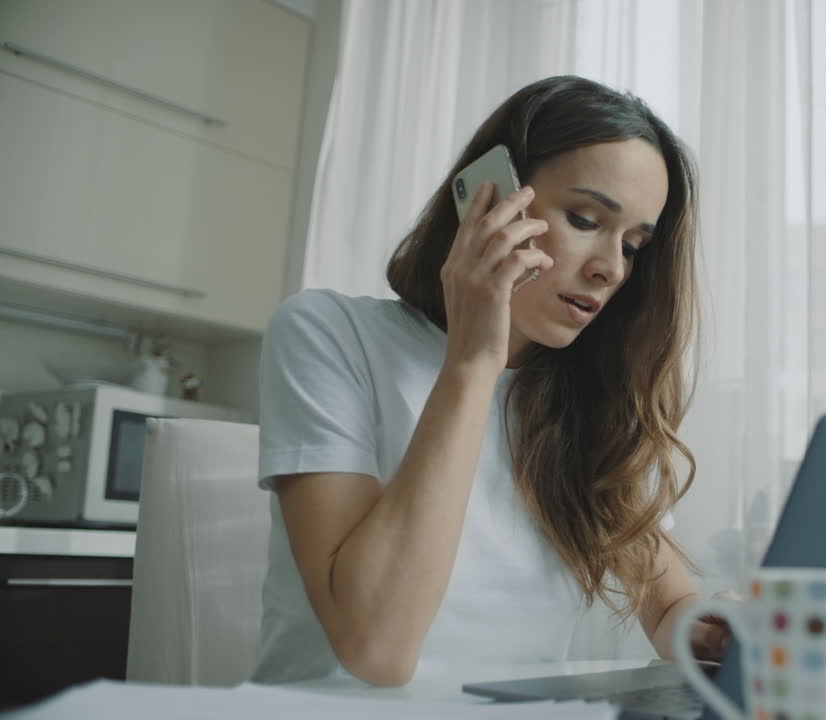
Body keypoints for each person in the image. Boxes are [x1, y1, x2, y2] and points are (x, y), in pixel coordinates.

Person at [251, 75, 728, 686]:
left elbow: (666, 605)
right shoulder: (328, 333)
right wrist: (475, 361)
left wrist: (710, 625)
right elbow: (377, 651)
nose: (611, 268)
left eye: (634, 246)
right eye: (585, 218)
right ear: (486, 199)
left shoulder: (585, 404)